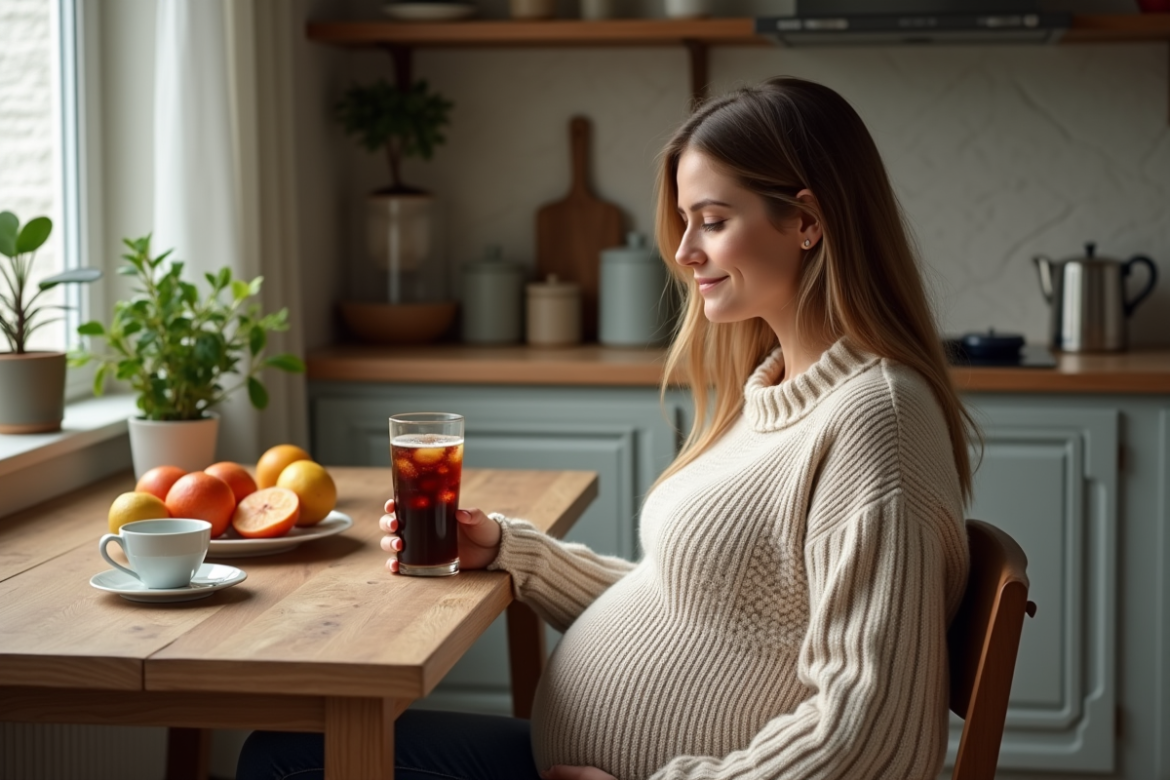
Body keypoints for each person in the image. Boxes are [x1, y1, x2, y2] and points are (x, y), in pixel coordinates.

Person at [237, 75, 975, 780]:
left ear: (808, 222)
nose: (684, 254)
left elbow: (875, 732)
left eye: (712, 222)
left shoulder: (877, 421)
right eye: (686, 223)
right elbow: (692, 605)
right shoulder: (776, 391)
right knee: (289, 747)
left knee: (286, 762)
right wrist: (511, 552)